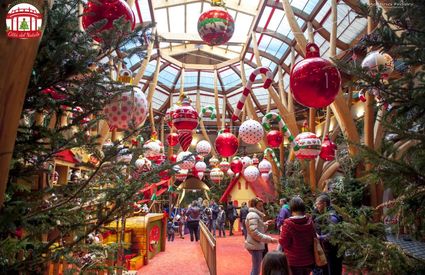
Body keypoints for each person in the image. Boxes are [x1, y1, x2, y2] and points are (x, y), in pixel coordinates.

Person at [279, 197, 315, 275]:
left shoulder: (288, 224)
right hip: (308, 260)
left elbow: (283, 243)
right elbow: (313, 239)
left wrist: (282, 231)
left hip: (293, 261)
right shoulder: (310, 222)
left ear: (291, 208)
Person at [245, 197, 278, 275]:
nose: (261, 208)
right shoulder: (253, 215)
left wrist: (265, 224)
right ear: (254, 206)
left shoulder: (255, 215)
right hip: (255, 245)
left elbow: (258, 229)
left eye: (262, 205)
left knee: (255, 268)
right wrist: (269, 239)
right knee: (256, 269)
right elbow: (254, 232)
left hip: (256, 244)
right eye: (259, 206)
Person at [313, 194, 343, 275]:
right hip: (328, 250)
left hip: (333, 251)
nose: (316, 206)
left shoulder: (332, 217)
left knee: (333, 271)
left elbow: (333, 235)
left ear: (325, 204)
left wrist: (320, 237)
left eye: (318, 204)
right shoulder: (324, 215)